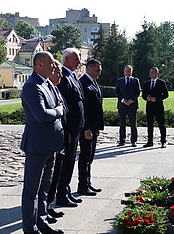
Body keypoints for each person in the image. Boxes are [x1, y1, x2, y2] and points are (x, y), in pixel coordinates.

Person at [20, 51, 65, 234]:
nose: (54, 67)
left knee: (44, 189)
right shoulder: (32, 86)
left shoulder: (47, 84)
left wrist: (56, 109)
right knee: (32, 190)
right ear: (39, 64)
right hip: (37, 146)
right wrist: (59, 110)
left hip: (50, 146)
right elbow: (42, 115)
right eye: (50, 64)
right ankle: (30, 229)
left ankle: (42, 222)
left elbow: (55, 105)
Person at [53, 48, 85, 208]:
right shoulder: (63, 77)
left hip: (76, 128)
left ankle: (66, 191)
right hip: (70, 129)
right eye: (76, 60)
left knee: (71, 161)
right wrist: (68, 131)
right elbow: (64, 107)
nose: (79, 63)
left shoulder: (72, 76)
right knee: (66, 163)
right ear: (66, 60)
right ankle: (61, 194)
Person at [77, 59, 104, 195]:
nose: (99, 73)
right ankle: (82, 185)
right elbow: (83, 109)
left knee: (90, 156)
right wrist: (86, 128)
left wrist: (97, 127)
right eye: (97, 70)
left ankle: (88, 183)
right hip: (86, 127)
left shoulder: (93, 82)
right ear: (88, 69)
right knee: (85, 156)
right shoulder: (83, 83)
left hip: (93, 127)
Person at [46, 59, 68, 219]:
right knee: (49, 178)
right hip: (51, 139)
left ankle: (50, 205)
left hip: (60, 137)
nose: (61, 75)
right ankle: (45, 208)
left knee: (56, 175)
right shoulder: (46, 88)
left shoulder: (55, 88)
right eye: (58, 72)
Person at [142, 67, 169, 148]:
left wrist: (156, 98)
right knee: (149, 124)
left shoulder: (161, 83)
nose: (151, 74)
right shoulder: (147, 83)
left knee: (161, 124)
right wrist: (147, 98)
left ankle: (163, 141)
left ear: (157, 74)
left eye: (152, 72)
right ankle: (150, 141)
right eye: (150, 72)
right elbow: (143, 94)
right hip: (149, 106)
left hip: (158, 106)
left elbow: (166, 95)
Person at [115, 65, 141, 147]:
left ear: (132, 71)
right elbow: (117, 92)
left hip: (132, 105)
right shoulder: (120, 81)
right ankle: (122, 140)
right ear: (124, 71)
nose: (127, 72)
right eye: (126, 71)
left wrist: (131, 100)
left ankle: (134, 141)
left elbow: (138, 92)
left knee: (133, 124)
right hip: (122, 105)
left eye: (129, 71)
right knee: (122, 124)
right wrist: (122, 100)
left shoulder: (135, 80)